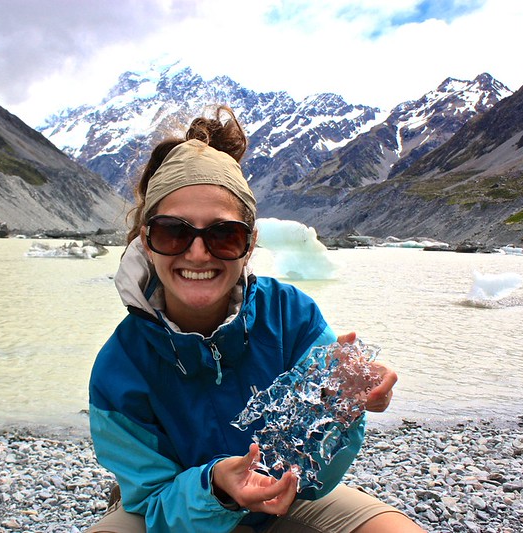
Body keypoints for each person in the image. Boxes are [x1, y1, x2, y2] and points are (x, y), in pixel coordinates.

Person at [87, 106, 423, 533]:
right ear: (147, 243)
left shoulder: (291, 316)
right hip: (166, 505)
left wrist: (344, 405)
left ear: (249, 244)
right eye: (174, 232)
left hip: (285, 495)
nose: (197, 253)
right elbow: (151, 498)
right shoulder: (119, 367)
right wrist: (218, 489)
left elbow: (316, 479)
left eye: (224, 235)